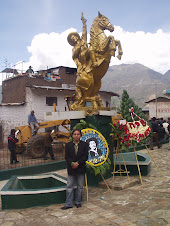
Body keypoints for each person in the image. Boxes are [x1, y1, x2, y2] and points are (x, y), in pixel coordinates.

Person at [61, 129, 88, 210]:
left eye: (78, 134)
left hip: (80, 168)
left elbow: (85, 156)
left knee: (80, 186)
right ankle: (69, 203)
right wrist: (72, 163)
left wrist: (78, 163)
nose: (76, 136)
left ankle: (78, 201)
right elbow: (67, 157)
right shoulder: (68, 145)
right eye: (75, 134)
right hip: (71, 168)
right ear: (72, 135)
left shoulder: (84, 145)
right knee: (69, 186)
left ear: (80, 135)